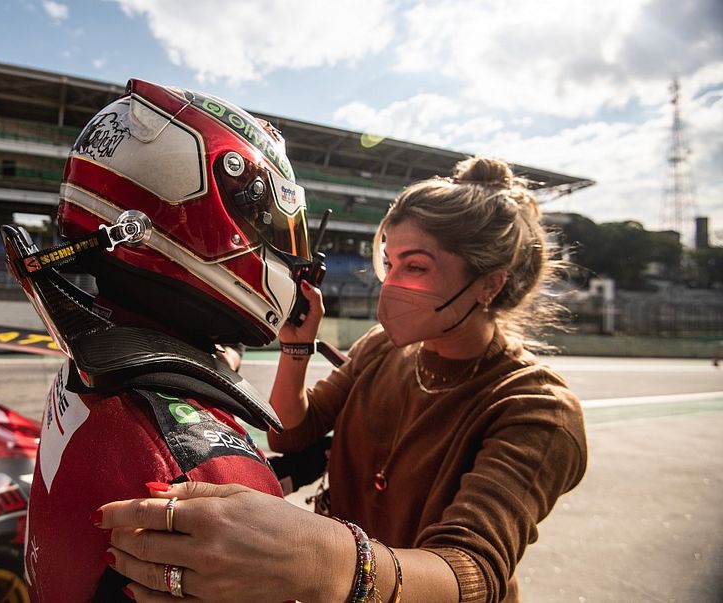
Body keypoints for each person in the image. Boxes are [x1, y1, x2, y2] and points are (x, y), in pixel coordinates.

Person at [97, 156, 588, 603]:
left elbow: (472, 573)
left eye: (416, 266)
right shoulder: (381, 347)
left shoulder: (536, 407)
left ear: (488, 283)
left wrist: (325, 561)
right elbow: (289, 431)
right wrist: (297, 347)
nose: (391, 283)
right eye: (390, 263)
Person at [0, 78, 319, 602]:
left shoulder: (95, 360)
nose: (290, 256)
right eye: (273, 225)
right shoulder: (209, 468)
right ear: (215, 218)